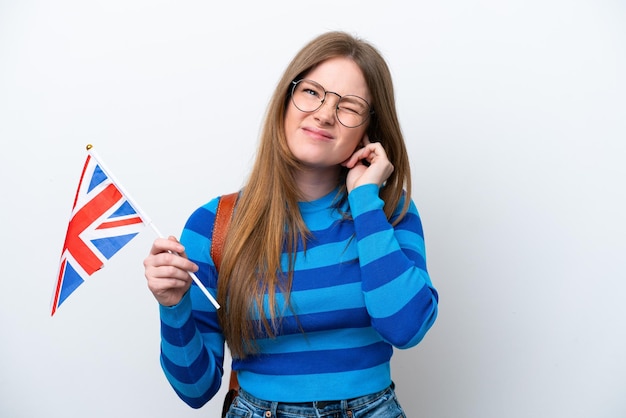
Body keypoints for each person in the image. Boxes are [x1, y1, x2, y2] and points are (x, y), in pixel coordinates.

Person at [144, 31, 438, 417]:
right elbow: (196, 389)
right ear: (286, 99)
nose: (324, 113)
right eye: (312, 92)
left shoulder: (388, 211)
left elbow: (407, 328)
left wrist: (365, 200)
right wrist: (173, 306)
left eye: (349, 105)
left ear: (369, 129)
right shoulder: (213, 224)